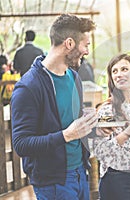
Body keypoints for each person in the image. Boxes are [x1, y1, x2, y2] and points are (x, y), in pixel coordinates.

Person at [11, 14, 98, 200]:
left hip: (80, 173)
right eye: (86, 45)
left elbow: (71, 123)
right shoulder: (28, 87)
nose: (87, 51)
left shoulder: (74, 77)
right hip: (53, 182)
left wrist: (95, 128)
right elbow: (21, 144)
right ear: (69, 43)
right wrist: (67, 135)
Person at [93, 53, 130, 200]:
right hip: (118, 178)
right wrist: (125, 135)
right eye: (114, 71)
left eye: (124, 69)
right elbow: (100, 152)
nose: (119, 74)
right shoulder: (107, 110)